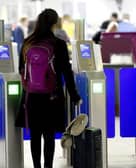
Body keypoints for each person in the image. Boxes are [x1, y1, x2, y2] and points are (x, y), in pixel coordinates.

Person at [17, 9, 81, 168]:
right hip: (52, 96)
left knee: (35, 136)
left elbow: (21, 69)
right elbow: (67, 72)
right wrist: (74, 95)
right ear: (54, 24)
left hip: (31, 96)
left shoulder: (27, 42)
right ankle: (48, 166)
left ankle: (37, 166)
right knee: (49, 136)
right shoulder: (58, 44)